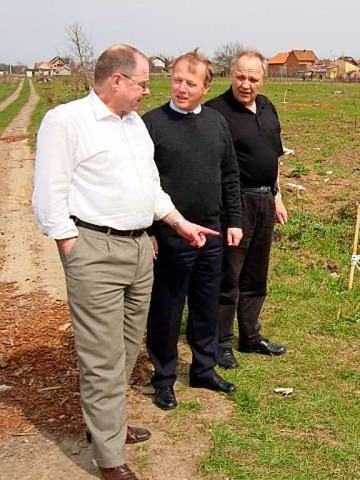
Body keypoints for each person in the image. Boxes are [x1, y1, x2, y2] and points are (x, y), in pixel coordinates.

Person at [32, 45, 217, 480]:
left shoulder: (133, 125)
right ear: (116, 80)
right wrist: (70, 247)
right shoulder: (66, 122)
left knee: (127, 348)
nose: (146, 92)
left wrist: (178, 222)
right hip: (94, 250)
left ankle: (107, 426)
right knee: (101, 357)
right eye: (142, 83)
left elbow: (150, 189)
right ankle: (109, 456)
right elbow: (49, 192)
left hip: (139, 251)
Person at [143, 50, 242, 411]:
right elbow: (142, 183)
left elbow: (230, 175)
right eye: (177, 80)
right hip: (171, 235)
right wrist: (150, 230)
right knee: (167, 308)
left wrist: (234, 221)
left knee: (205, 304)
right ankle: (164, 378)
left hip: (212, 233)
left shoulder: (217, 123)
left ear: (205, 87)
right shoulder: (151, 124)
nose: (182, 88)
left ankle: (203, 368)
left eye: (191, 83)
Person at [205, 50, 288, 370]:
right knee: (230, 276)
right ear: (231, 74)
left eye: (253, 78)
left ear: (263, 80)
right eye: (241, 76)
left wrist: (277, 196)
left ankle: (250, 336)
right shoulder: (216, 112)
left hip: (265, 201)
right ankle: (220, 343)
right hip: (235, 203)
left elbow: (274, 157)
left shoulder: (267, 107)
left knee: (256, 274)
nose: (246, 83)